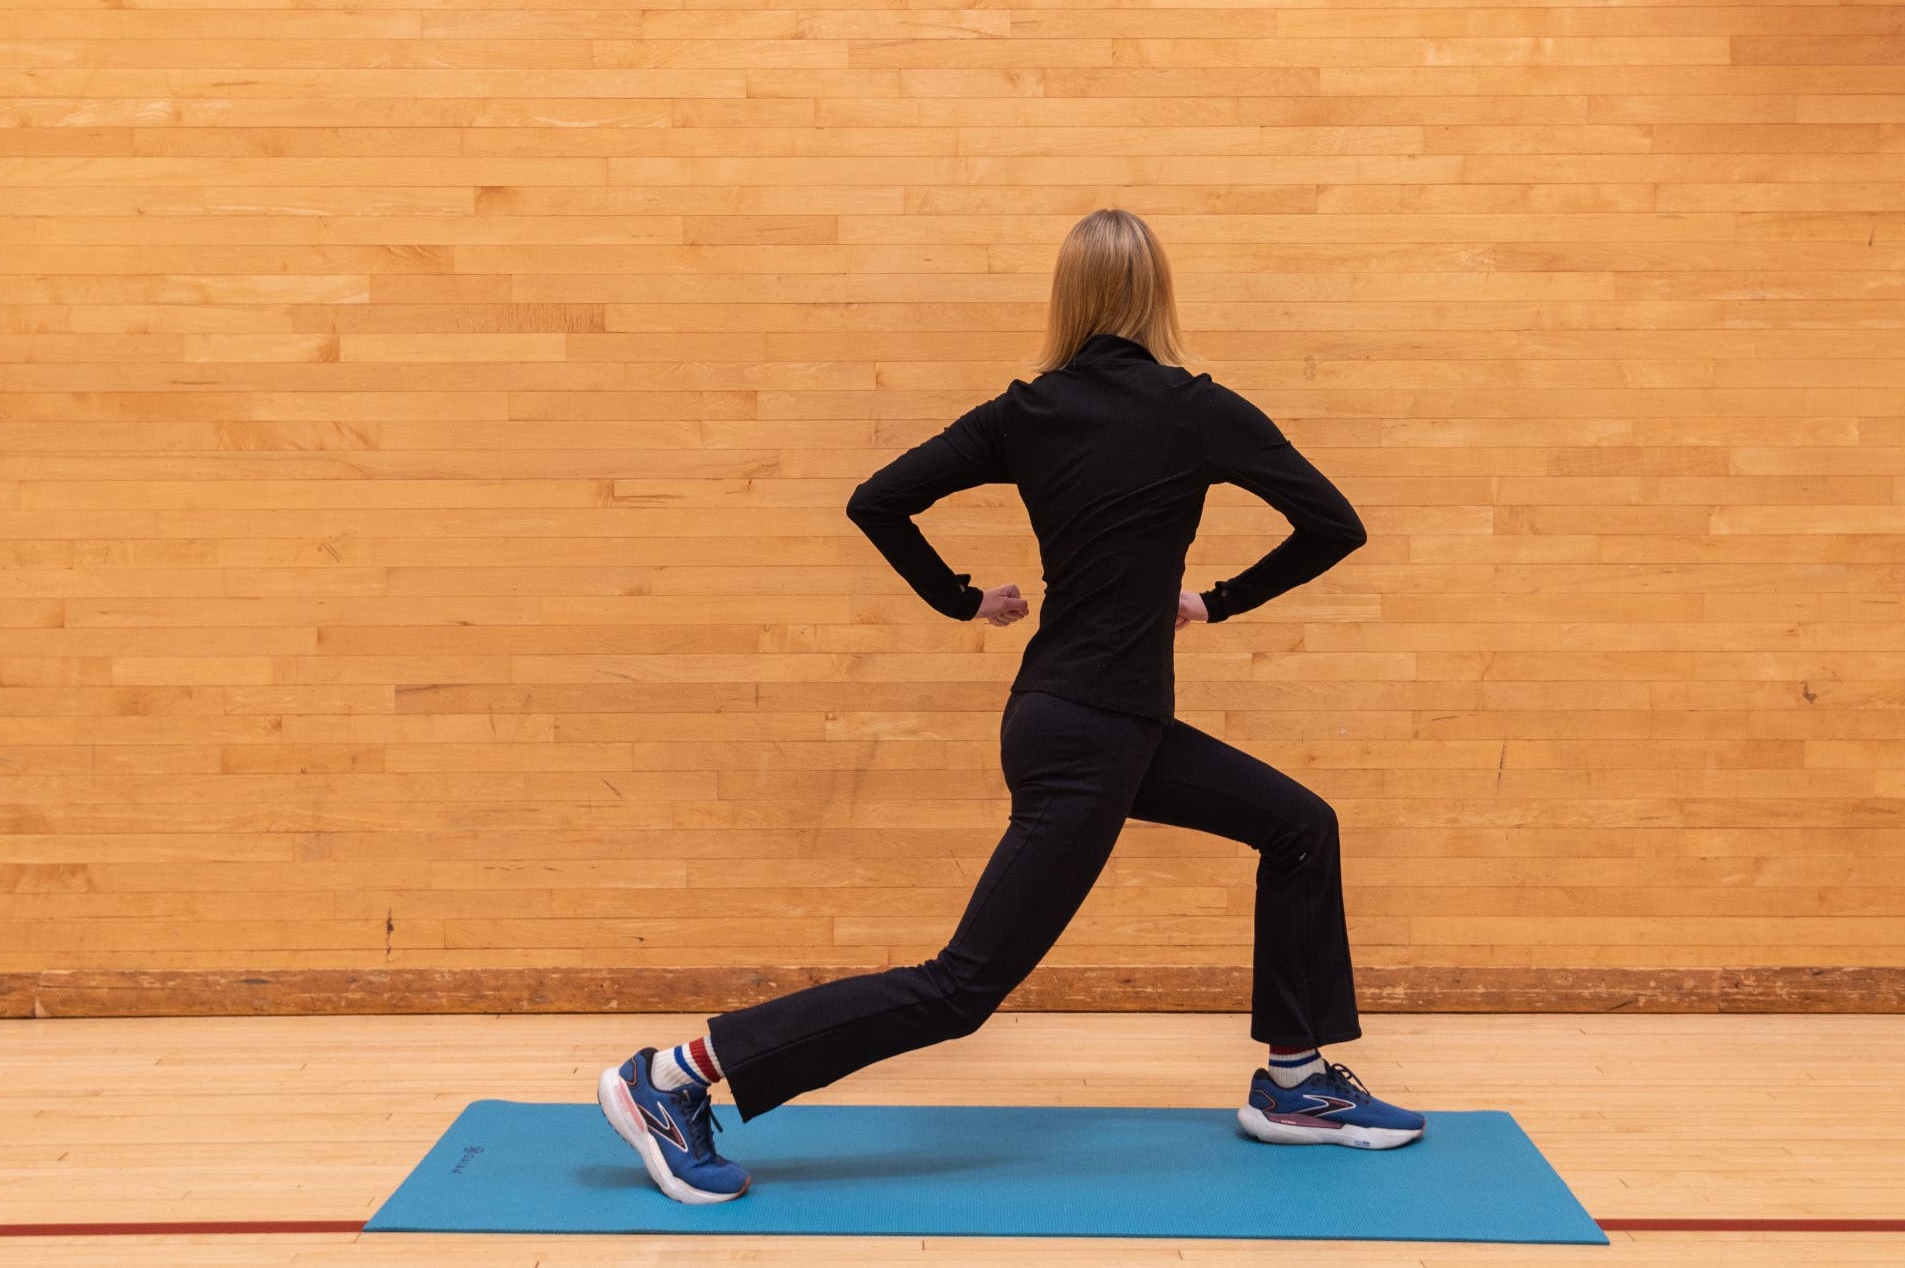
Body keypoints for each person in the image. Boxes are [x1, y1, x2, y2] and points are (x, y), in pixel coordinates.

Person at [597, 208, 1424, 1206]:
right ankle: (675, 1076)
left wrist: (961, 599)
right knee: (962, 989)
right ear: (1159, 293)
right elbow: (1334, 524)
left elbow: (877, 499)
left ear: (1069, 297)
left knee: (1299, 827)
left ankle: (1294, 1084)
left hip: (1078, 718)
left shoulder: (1028, 410)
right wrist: (1216, 601)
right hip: (1092, 735)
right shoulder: (1198, 410)